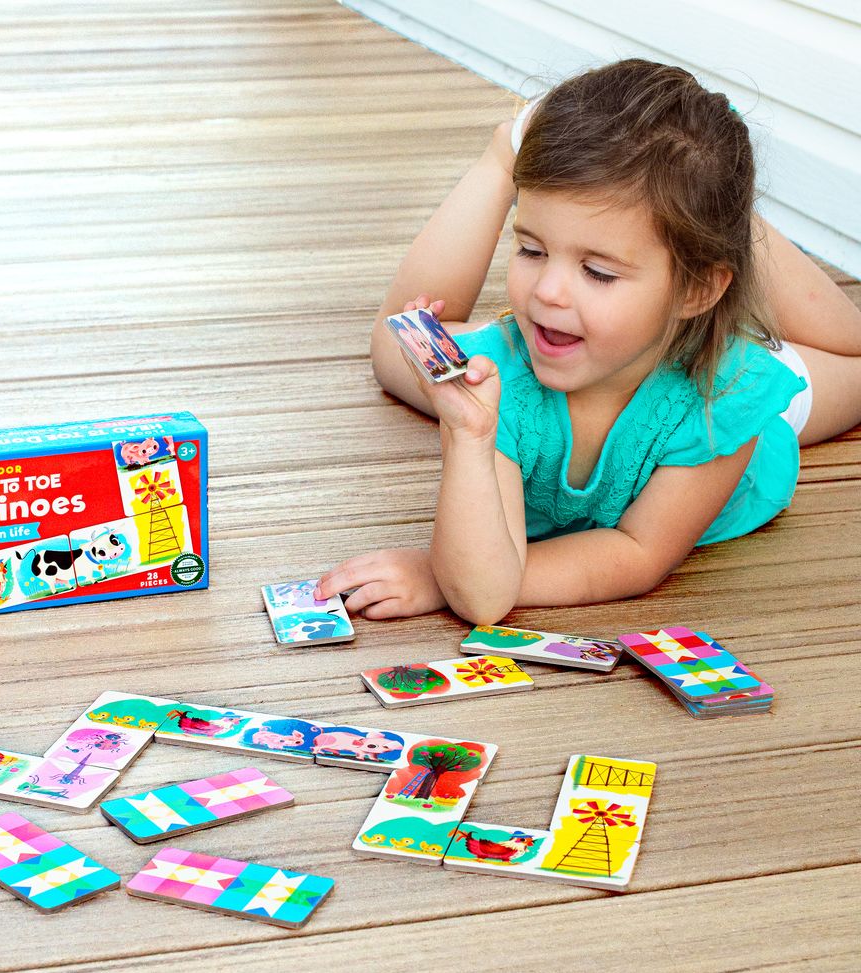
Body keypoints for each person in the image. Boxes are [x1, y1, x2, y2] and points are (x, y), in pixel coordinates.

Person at [316, 59, 861, 624]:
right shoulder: (500, 378)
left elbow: (634, 552)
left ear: (698, 290)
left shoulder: (728, 394)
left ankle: (718, 216)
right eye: (531, 250)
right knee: (400, 347)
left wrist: (441, 571)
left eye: (597, 271)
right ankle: (513, 156)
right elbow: (484, 594)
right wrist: (469, 448)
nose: (547, 291)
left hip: (711, 387)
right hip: (638, 336)